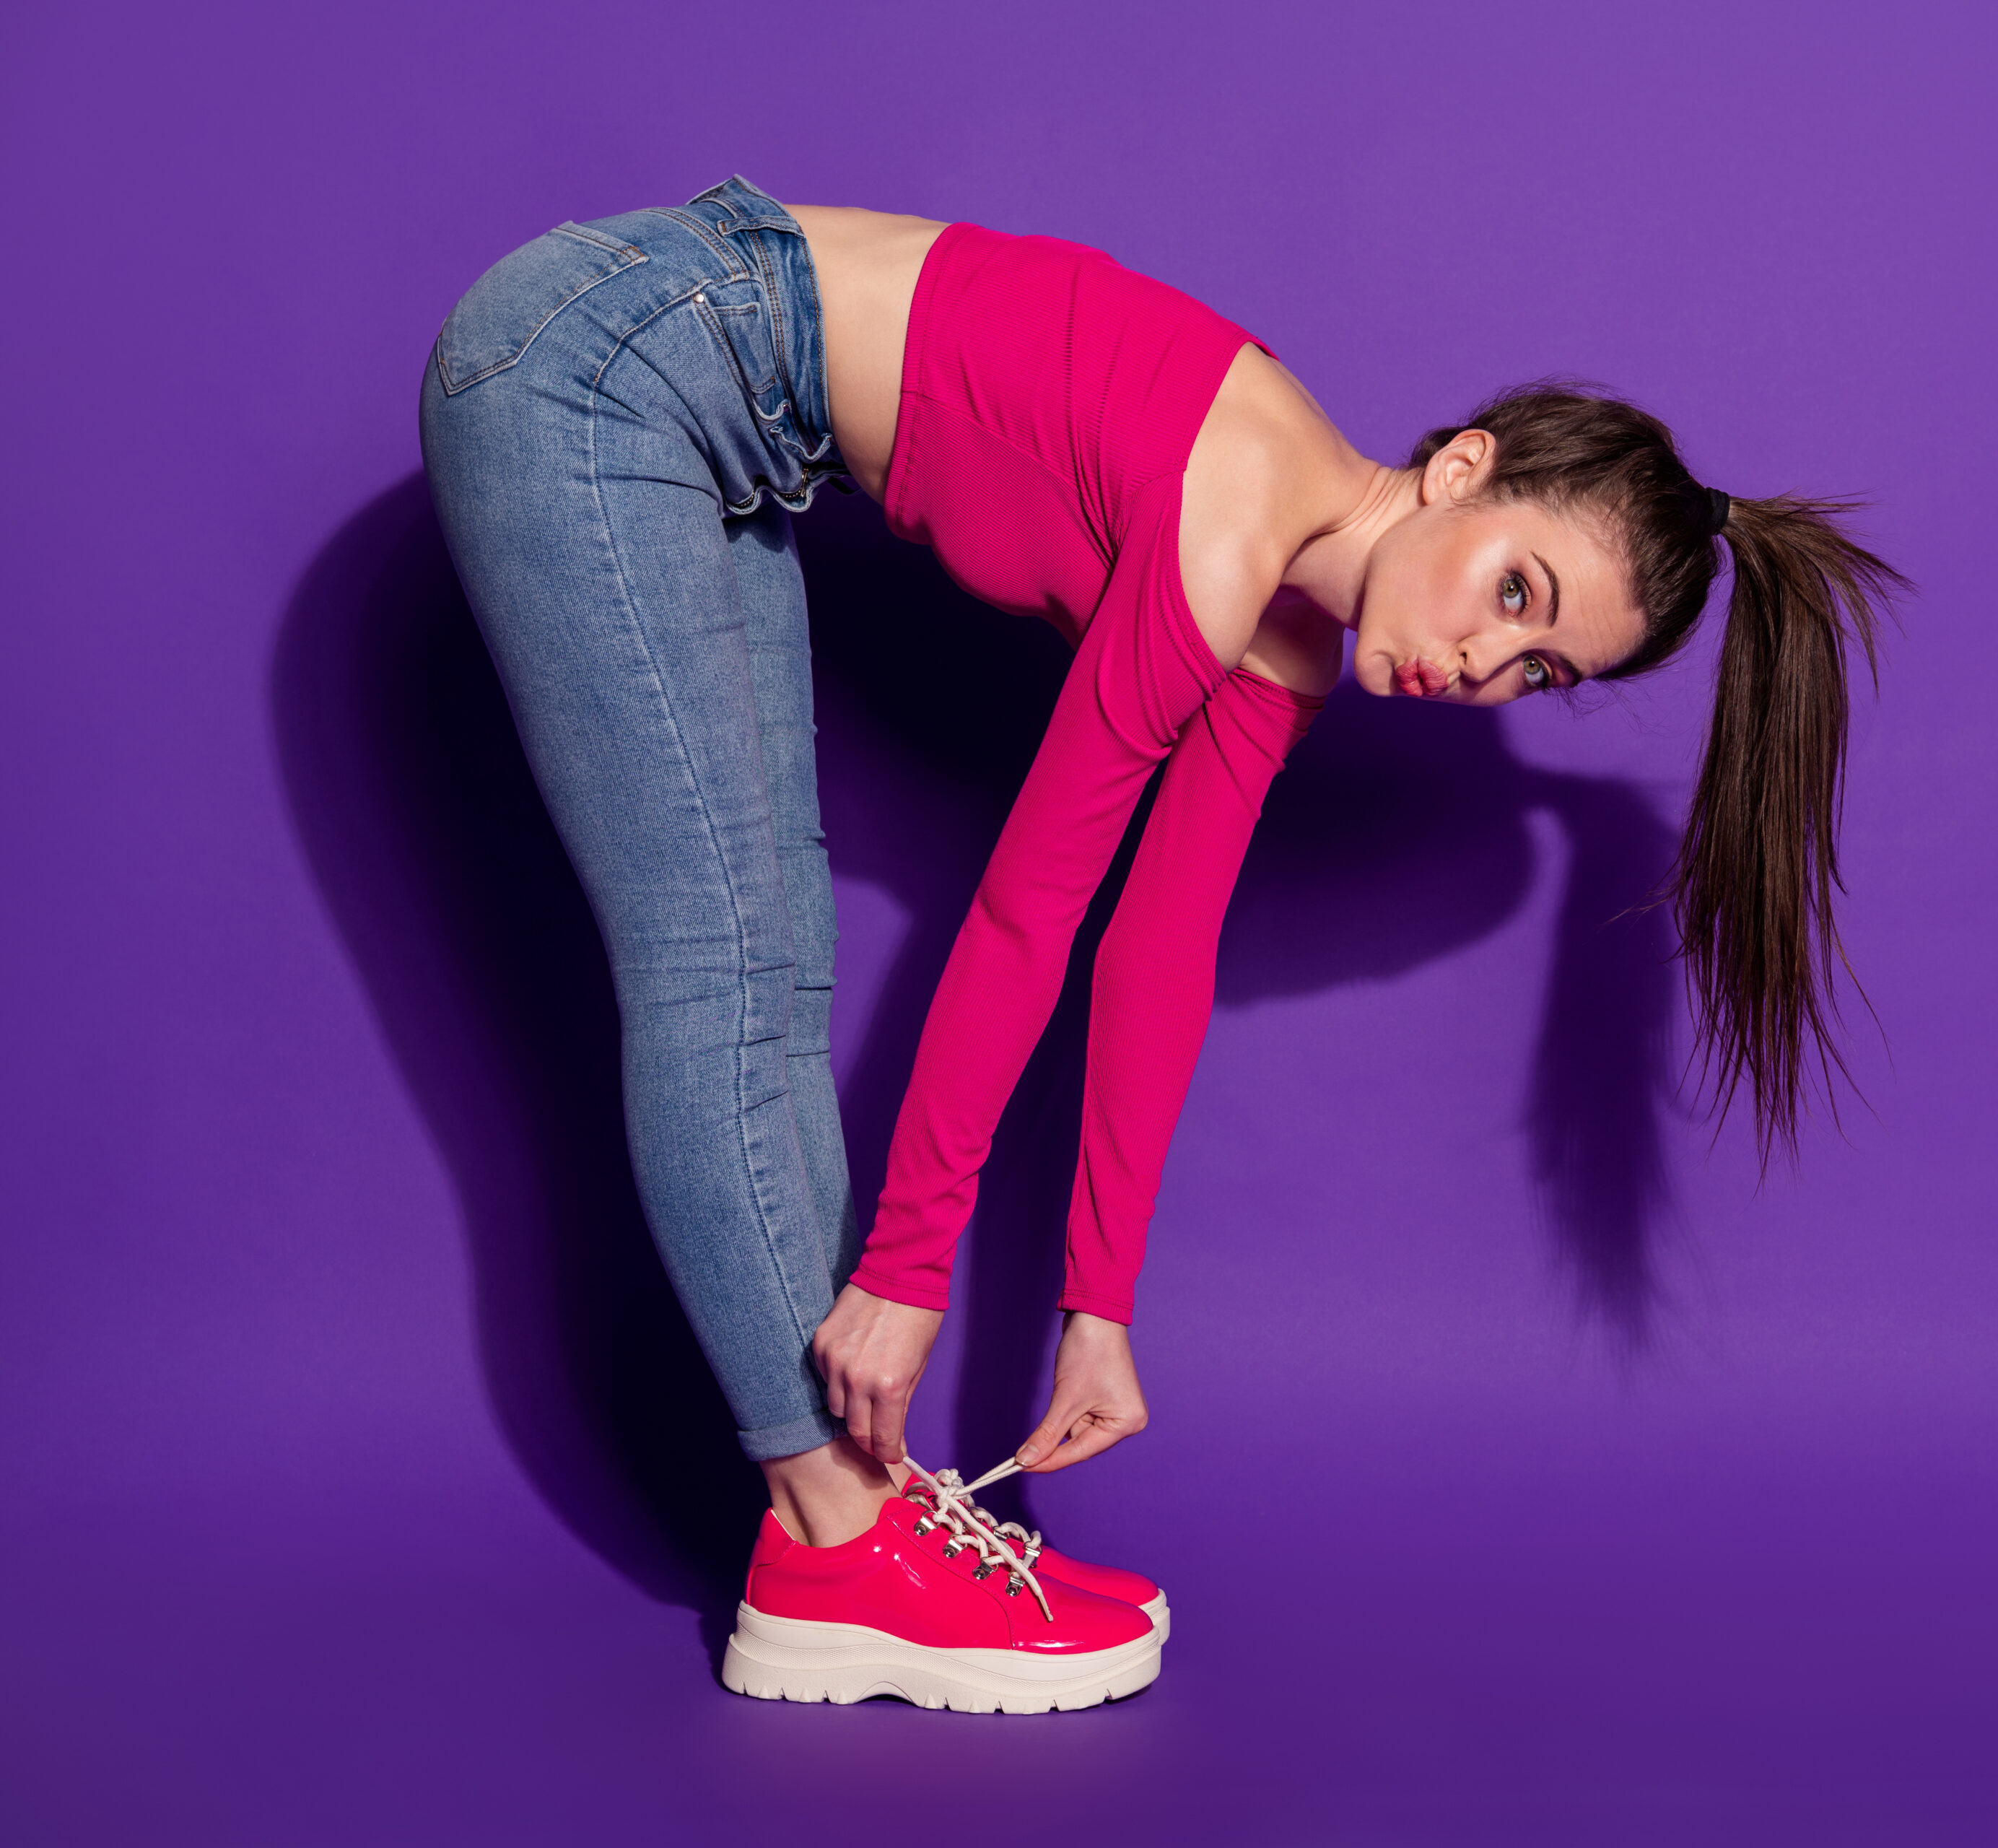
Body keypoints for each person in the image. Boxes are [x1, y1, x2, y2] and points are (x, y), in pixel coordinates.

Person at [417, 175, 1904, 1713]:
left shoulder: (1293, 639)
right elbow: (1028, 905)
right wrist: (908, 1263)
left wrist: (1099, 1308)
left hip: (718, 423)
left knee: (777, 961)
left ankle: (842, 1529)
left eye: (1536, 667)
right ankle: (834, 1534)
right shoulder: (1239, 505)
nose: (1480, 662)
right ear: (1466, 468)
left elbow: (1155, 954)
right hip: (604, 356)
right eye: (1513, 590)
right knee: (725, 961)